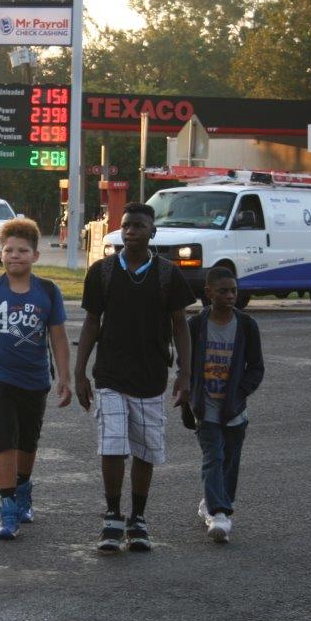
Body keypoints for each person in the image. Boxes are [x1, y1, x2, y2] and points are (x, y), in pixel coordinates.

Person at [75, 202, 196, 553]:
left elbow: (180, 325)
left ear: (152, 232)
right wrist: (80, 372)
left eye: (139, 226)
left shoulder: (166, 274)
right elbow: (91, 322)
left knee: (144, 449)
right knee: (113, 445)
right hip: (110, 374)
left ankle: (138, 518)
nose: (130, 231)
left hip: (151, 377)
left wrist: (185, 374)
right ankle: (112, 515)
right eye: (126, 225)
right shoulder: (103, 271)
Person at [0, 218, 71, 539]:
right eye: (9, 250)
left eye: (22, 250)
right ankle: (7, 508)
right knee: (3, 439)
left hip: (34, 380)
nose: (15, 255)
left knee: (27, 442)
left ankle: (23, 490)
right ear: (0, 254)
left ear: (35, 255)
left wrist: (65, 377)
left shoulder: (48, 291)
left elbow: (59, 338)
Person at [188, 266, 264, 543]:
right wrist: (187, 397)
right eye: (223, 291)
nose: (230, 296)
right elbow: (186, 367)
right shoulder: (196, 325)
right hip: (205, 407)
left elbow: (256, 367)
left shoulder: (246, 326)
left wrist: (241, 393)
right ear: (208, 293)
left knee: (230, 462)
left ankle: (212, 502)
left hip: (234, 409)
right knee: (214, 458)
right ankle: (219, 514)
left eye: (233, 290)